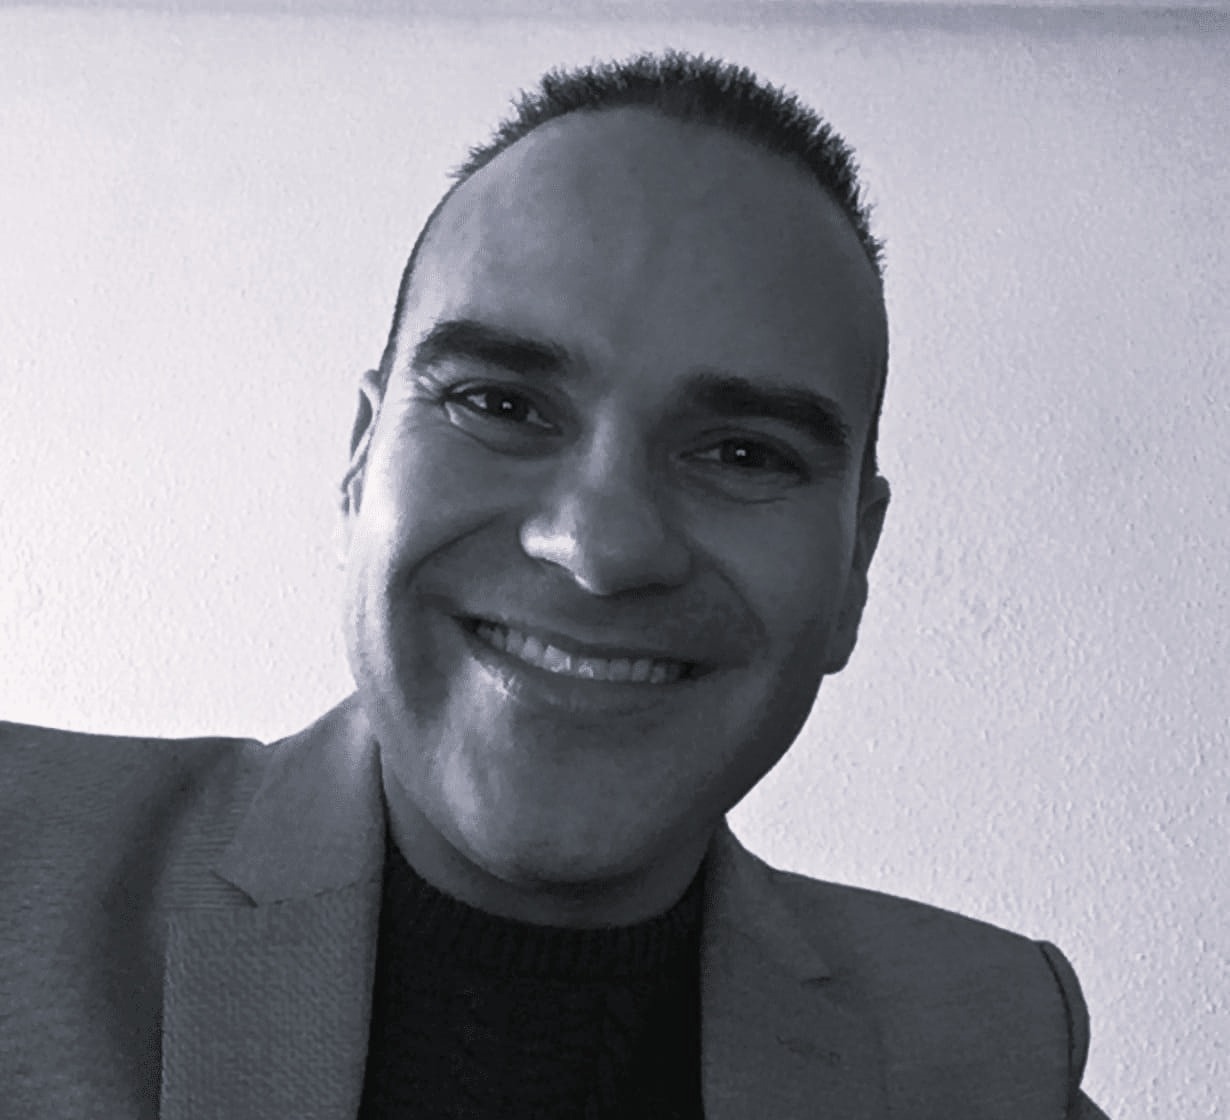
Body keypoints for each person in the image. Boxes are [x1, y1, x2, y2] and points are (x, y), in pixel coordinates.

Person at [0, 49, 1108, 1119]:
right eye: (501, 404)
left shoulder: (988, 1051)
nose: (600, 546)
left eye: (743, 452)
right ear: (360, 460)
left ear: (856, 567)